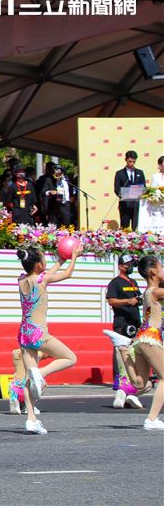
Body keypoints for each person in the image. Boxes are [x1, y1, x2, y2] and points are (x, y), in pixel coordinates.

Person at [16, 245, 80, 435]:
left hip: (24, 333)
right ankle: (40, 373)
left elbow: (48, 273)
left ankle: (31, 419)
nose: (46, 262)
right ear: (38, 264)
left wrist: (61, 259)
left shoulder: (22, 280)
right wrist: (74, 257)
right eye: (44, 259)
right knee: (70, 358)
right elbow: (67, 275)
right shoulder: (41, 280)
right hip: (38, 333)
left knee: (29, 377)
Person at [103, 255, 164, 430]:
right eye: (161, 268)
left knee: (139, 383)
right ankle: (152, 419)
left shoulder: (148, 291)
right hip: (150, 338)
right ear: (153, 271)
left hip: (141, 339)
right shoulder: (155, 291)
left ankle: (123, 349)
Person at [105, 254, 146, 410]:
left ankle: (131, 387)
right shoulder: (115, 283)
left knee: (135, 355)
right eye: (127, 264)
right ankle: (120, 386)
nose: (130, 266)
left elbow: (137, 299)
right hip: (122, 323)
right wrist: (128, 301)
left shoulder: (134, 282)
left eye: (131, 263)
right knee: (120, 355)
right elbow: (111, 301)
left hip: (136, 322)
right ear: (120, 266)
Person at [8, 348, 47, 415]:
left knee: (18, 377)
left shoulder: (15, 352)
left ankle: (15, 400)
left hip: (15, 387)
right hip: (27, 387)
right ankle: (29, 405)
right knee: (43, 383)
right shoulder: (36, 354)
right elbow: (48, 354)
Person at [113, 150, 146, 231]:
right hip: (125, 205)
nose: (132, 164)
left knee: (137, 228)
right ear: (126, 160)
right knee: (125, 228)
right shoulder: (119, 173)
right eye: (130, 161)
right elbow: (117, 189)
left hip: (136, 205)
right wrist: (127, 195)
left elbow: (144, 187)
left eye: (134, 162)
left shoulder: (140, 173)